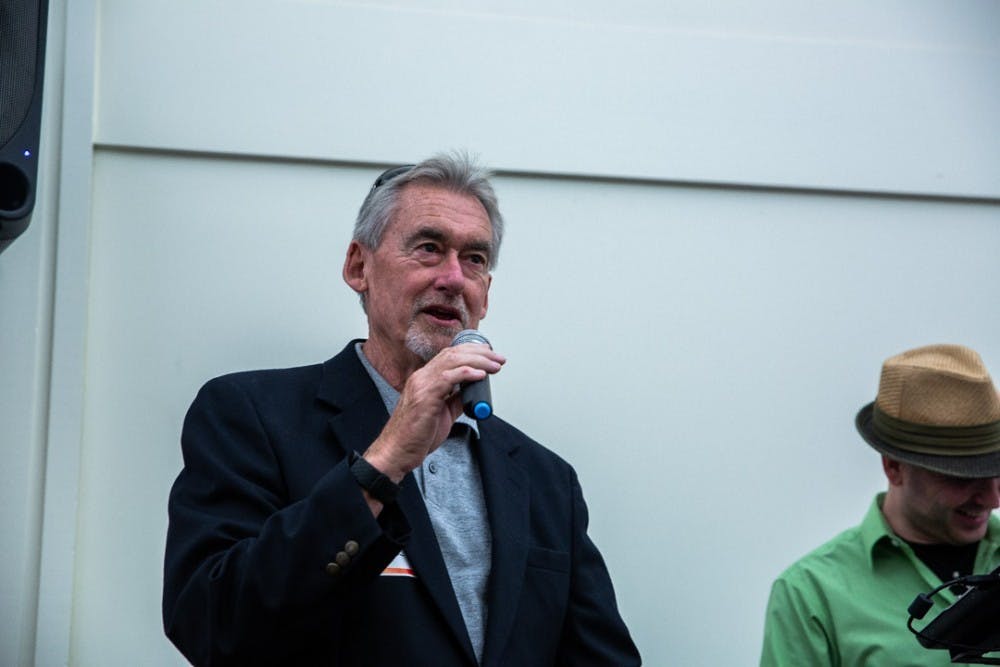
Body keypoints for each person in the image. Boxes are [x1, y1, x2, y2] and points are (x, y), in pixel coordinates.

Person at [162, 152, 641, 666]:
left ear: (486, 293)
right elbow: (210, 623)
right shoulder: (252, 416)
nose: (454, 278)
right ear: (358, 267)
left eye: (475, 259)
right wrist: (384, 462)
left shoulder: (547, 480)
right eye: (429, 249)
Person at [760, 343, 1000, 666]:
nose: (993, 499)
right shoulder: (810, 595)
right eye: (962, 477)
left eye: (997, 472)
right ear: (893, 467)